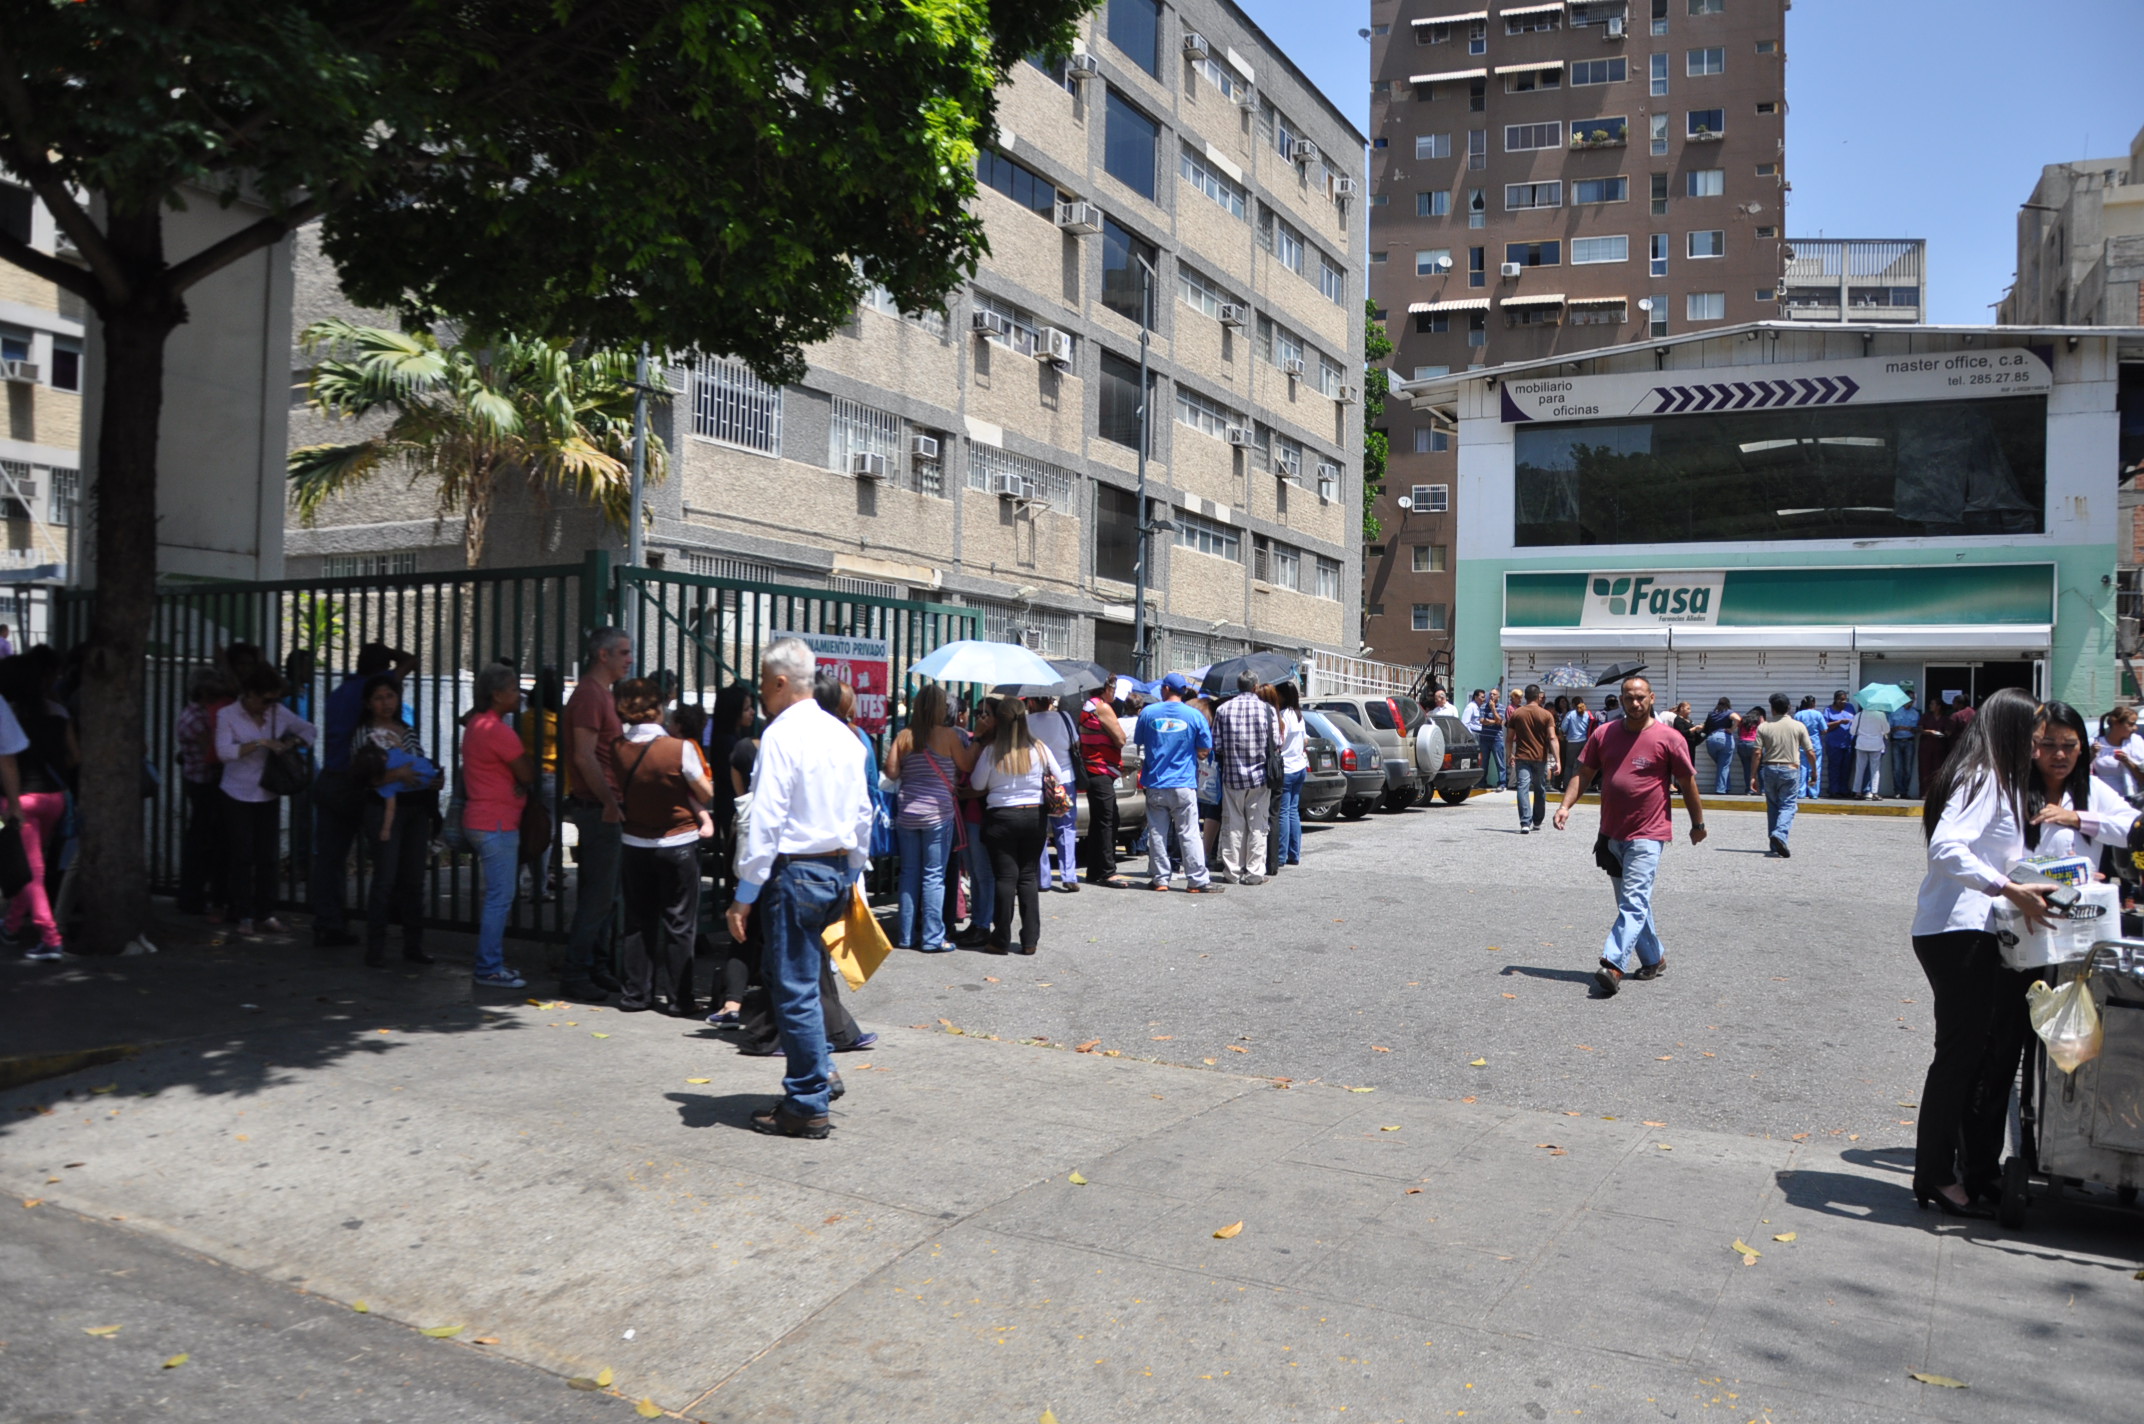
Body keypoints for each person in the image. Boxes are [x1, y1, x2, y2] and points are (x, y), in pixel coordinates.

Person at [1908, 687, 2070, 1217]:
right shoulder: (1983, 777)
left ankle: (1962, 1169)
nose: (2040, 746)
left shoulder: (1995, 777)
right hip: (1959, 933)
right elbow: (1946, 847)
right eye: (2036, 736)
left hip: (1968, 931)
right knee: (1958, 1056)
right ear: (2013, 731)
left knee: (1969, 1054)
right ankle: (1933, 1174)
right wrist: (2007, 888)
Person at [726, 637, 873, 1139]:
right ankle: (820, 1069)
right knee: (806, 981)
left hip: (798, 871)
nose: (762, 695)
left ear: (781, 682)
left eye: (765, 685)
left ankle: (808, 1099)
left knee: (793, 986)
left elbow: (765, 822)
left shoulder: (782, 737)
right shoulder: (845, 738)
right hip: (834, 869)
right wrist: (853, 873)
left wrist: (745, 894)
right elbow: (863, 814)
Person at [1552, 674, 1706, 998]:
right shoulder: (1604, 734)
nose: (1634, 703)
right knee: (1632, 903)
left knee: (1633, 901)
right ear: (1621, 700)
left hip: (1648, 834)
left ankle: (1613, 964)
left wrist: (1698, 823)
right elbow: (1584, 774)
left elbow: (1688, 783)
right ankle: (1654, 959)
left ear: (1651, 698)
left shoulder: (1669, 738)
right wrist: (1566, 805)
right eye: (1628, 698)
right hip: (1611, 833)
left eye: (1640, 697)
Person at [611, 677, 711, 1016]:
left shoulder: (617, 748)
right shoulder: (678, 748)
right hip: (678, 840)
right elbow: (706, 792)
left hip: (634, 842)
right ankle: (679, 998)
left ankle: (636, 994)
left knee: (638, 920)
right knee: (679, 922)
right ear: (656, 708)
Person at [311, 642, 414, 948]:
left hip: (330, 778)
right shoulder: (376, 692)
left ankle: (328, 923)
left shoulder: (340, 693)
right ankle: (387, 919)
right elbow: (412, 661)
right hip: (364, 782)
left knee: (330, 859)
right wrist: (394, 655)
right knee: (386, 854)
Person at [215, 666, 317, 939]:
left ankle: (266, 912)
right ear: (249, 695)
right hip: (236, 791)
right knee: (242, 855)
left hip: (267, 792)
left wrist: (291, 741)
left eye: (275, 700)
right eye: (265, 699)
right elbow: (224, 752)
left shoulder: (277, 712)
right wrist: (261, 743)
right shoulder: (228, 715)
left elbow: (309, 730)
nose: (270, 706)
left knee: (267, 856)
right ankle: (242, 912)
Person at [560, 627, 633, 1002]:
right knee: (598, 898)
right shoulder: (590, 695)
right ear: (602, 655)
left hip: (603, 807)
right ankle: (576, 972)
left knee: (605, 896)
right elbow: (583, 756)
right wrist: (608, 801)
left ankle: (596, 967)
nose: (629, 659)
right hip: (597, 809)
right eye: (623, 652)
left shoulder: (599, 694)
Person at [350, 672, 439, 967]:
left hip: (415, 809)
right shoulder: (364, 734)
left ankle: (413, 945)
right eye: (378, 697)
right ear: (368, 703)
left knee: (414, 880)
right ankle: (375, 948)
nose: (386, 702)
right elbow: (363, 776)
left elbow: (420, 763)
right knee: (385, 879)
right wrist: (396, 775)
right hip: (382, 809)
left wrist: (432, 780)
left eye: (390, 696)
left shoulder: (407, 730)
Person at [969, 695, 1066, 954]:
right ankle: (1030, 940)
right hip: (1034, 816)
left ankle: (1000, 938)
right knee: (1028, 877)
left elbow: (977, 785)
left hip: (1001, 818)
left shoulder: (992, 751)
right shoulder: (1039, 748)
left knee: (1005, 878)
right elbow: (1058, 776)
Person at [885, 682, 973, 953]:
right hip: (938, 814)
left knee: (909, 873)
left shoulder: (904, 736)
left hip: (908, 814)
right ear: (939, 708)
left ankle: (905, 935)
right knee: (933, 875)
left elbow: (890, 772)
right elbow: (967, 765)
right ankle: (933, 937)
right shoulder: (948, 736)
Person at [461, 662, 533, 988]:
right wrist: (519, 782)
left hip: (481, 819)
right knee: (500, 897)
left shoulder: (476, 724)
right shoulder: (498, 731)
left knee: (497, 895)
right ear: (497, 694)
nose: (519, 695)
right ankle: (489, 967)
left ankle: (490, 963)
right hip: (497, 823)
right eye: (514, 689)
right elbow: (527, 773)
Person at [1135, 673, 1220, 894]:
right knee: (1190, 832)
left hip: (1155, 782)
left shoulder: (1148, 713)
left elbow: (1140, 743)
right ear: (1182, 691)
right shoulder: (1194, 715)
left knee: (1157, 832)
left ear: (1164, 689)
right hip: (1183, 782)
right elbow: (1205, 747)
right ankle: (1196, 880)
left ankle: (1160, 878)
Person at [173, 665, 235, 922]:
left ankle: (195, 894)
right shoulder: (198, 719)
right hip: (204, 784)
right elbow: (212, 752)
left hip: (201, 782)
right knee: (203, 841)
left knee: (203, 840)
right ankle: (193, 896)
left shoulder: (198, 714)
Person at [1214, 673, 1281, 885]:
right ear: (1255, 686)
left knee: (1232, 825)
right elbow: (1277, 742)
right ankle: (1254, 873)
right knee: (1258, 825)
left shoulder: (1223, 709)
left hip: (1232, 777)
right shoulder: (1267, 709)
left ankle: (1232, 872)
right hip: (1260, 777)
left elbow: (1216, 745)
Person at [1074, 676, 1130, 888]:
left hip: (1095, 770)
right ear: (1105, 687)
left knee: (1100, 820)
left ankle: (1094, 870)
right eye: (1113, 686)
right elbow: (1121, 738)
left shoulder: (1088, 706)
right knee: (1108, 820)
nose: (1114, 691)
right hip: (1099, 770)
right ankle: (1108, 871)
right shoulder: (1102, 707)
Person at [1027, 694, 1081, 893]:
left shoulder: (1025, 722)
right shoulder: (1065, 718)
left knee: (1040, 828)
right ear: (1050, 701)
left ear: (1031, 702)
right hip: (1064, 779)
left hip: (1037, 781)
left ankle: (1043, 878)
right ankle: (1069, 875)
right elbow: (1076, 745)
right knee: (1066, 827)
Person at [1754, 693, 1816, 858]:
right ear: (1789, 708)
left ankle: (1774, 843)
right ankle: (1780, 835)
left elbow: (1757, 753)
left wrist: (1753, 776)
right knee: (1788, 805)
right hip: (1790, 769)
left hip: (1769, 769)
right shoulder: (1798, 726)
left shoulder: (1764, 727)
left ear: (1772, 709)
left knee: (1773, 806)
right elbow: (1810, 752)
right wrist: (1814, 772)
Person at [1505, 684, 1558, 834]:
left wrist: (1509, 754)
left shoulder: (1517, 713)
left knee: (1523, 787)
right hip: (1540, 757)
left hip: (1522, 756)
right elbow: (1552, 737)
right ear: (1538, 697)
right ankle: (1537, 820)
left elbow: (1509, 738)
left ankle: (1524, 822)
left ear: (1526, 697)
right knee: (1540, 788)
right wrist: (1558, 760)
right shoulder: (1546, 715)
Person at [1274, 681, 1310, 867]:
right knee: (1293, 811)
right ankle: (1294, 854)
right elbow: (1305, 741)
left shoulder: (1282, 717)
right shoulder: (1298, 715)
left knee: (1283, 812)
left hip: (1287, 769)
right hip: (1300, 767)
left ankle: (1280, 855)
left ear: (1282, 696)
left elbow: (1278, 742)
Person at [1851, 699, 1891, 800]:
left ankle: (1857, 792)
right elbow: (1887, 730)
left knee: (1860, 769)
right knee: (1875, 769)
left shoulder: (1859, 715)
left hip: (1861, 744)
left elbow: (1852, 731)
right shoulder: (1881, 715)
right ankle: (1874, 792)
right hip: (1876, 745)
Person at [1700, 697, 1740, 796]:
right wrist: (1732, 729)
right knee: (1724, 765)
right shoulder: (1728, 712)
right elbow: (1738, 719)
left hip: (1711, 739)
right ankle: (1721, 789)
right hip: (1724, 738)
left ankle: (1727, 786)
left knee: (1722, 765)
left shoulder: (1711, 713)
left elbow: (1706, 728)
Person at [1887, 685, 1921, 799]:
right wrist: (1896, 728)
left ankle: (1904, 791)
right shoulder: (1894, 712)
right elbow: (1888, 729)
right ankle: (1897, 791)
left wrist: (1911, 729)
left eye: (1912, 699)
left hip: (1909, 741)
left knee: (1908, 768)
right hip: (1896, 741)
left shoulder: (1915, 713)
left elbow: (1918, 729)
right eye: (1908, 699)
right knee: (1896, 768)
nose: (1910, 702)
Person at [1822, 691, 1857, 798]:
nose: (1843, 702)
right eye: (1841, 699)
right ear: (1835, 700)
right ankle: (1834, 790)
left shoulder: (1850, 708)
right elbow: (1825, 727)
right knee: (1834, 767)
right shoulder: (1828, 710)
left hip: (1848, 743)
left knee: (1846, 768)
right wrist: (1839, 722)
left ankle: (1844, 789)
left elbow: (1855, 721)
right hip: (1834, 744)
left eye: (1845, 699)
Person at [1794, 696, 1829, 800]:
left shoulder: (1798, 715)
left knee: (1802, 768)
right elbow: (1824, 730)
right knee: (1815, 768)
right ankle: (1813, 792)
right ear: (1813, 704)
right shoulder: (1818, 714)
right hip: (1814, 745)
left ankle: (1801, 792)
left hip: (1801, 745)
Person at [1558, 697, 1596, 794]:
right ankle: (1583, 786)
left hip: (1571, 742)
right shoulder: (1588, 714)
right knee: (1583, 766)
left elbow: (1563, 727)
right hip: (1584, 742)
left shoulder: (1570, 714)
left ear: (1573, 705)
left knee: (1569, 766)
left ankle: (1567, 786)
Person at [1478, 687, 1506, 791]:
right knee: (1484, 762)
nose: (1491, 696)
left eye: (1494, 694)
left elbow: (1500, 721)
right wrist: (1495, 721)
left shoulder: (1502, 708)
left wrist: (1493, 709)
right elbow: (1482, 721)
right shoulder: (1483, 707)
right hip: (1484, 739)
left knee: (1500, 762)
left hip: (1496, 739)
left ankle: (1502, 783)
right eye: (1490, 694)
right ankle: (1482, 782)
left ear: (1498, 696)